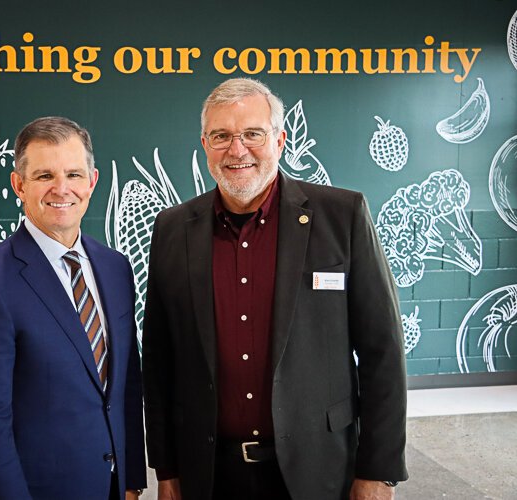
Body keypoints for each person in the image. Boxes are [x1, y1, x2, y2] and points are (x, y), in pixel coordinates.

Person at [142, 78, 408, 500]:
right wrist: (166, 469)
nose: (237, 149)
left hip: (318, 469)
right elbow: (158, 360)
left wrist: (377, 471)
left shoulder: (342, 216)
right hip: (208, 473)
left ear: (280, 140)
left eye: (252, 134)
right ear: (204, 144)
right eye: (221, 136)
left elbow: (383, 352)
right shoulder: (173, 228)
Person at [0, 116, 146, 500]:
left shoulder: (115, 268)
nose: (61, 188)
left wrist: (131, 480)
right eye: (43, 176)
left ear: (92, 181)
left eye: (73, 174)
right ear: (19, 185)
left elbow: (125, 385)